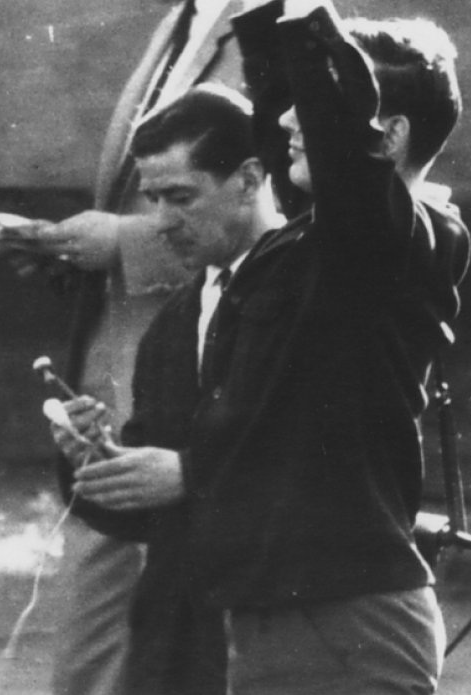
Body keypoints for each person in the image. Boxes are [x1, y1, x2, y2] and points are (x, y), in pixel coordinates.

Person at [131, 0, 467, 693]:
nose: (285, 124)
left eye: (320, 116)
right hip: (276, 611)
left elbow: (329, 126)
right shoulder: (315, 240)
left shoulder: (405, 238)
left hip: (352, 619)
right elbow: (288, 101)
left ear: (387, 137)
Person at [0, 0, 259, 692]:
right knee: (105, 635)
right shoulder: (184, 22)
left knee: (149, 639)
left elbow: (268, 216)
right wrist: (76, 248)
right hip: (125, 375)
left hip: (194, 385)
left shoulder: (264, 26)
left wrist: (120, 242)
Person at [57, 84, 285, 695]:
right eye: (153, 198)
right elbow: (148, 518)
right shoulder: (177, 318)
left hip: (281, 626)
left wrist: (190, 473)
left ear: (249, 179)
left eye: (181, 197)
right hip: (180, 639)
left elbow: (339, 466)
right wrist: (101, 462)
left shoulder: (309, 293)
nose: (160, 221)